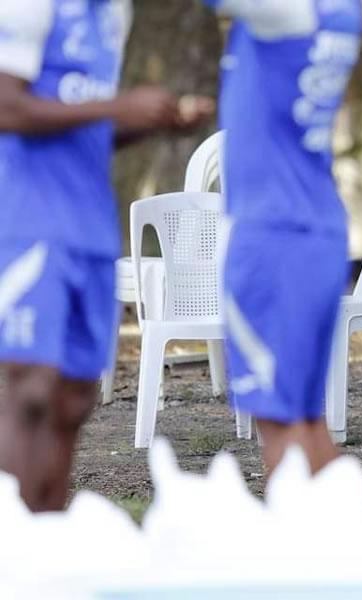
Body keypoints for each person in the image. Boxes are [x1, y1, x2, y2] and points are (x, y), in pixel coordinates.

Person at [0, 0, 213, 511]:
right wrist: (115, 107)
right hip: (31, 223)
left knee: (73, 398)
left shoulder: (112, 13)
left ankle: (46, 548)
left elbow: (81, 125)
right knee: (29, 390)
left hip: (93, 227)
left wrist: (151, 120)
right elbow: (7, 108)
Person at [201, 0, 362, 474]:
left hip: (271, 236)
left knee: (280, 426)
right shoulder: (340, 10)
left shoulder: (285, 8)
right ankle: (355, 541)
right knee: (307, 421)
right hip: (314, 228)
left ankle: (295, 545)